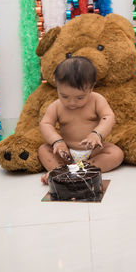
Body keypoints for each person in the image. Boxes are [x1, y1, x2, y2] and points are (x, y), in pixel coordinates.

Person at [38, 56, 124, 184]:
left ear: (91, 88)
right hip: (66, 152)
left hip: (93, 151)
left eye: (80, 97)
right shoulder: (56, 106)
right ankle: (59, 170)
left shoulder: (96, 100)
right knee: (43, 150)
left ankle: (83, 168)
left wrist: (97, 134)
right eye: (64, 96)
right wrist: (57, 142)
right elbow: (45, 124)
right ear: (57, 86)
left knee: (116, 153)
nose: (72, 102)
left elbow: (109, 117)